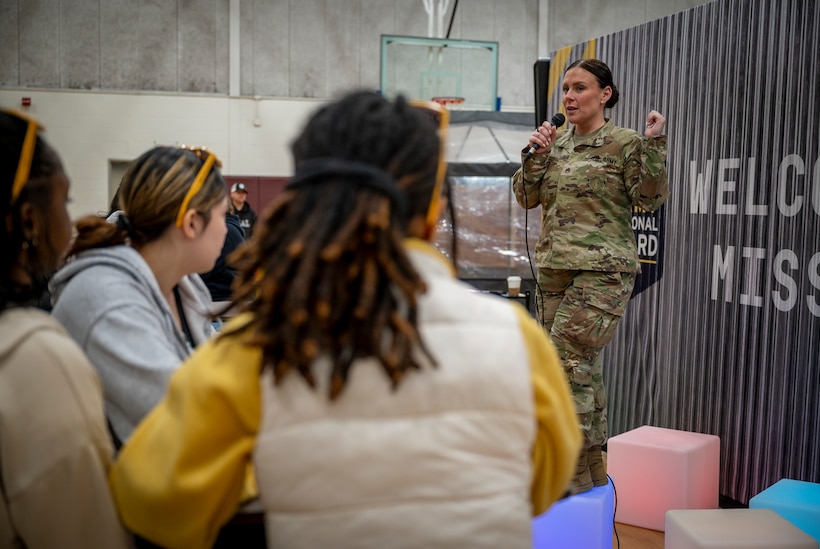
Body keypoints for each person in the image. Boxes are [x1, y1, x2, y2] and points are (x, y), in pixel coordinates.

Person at [108, 90, 581, 549]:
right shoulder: (516, 338)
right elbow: (542, 484)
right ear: (433, 210)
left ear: (304, 203)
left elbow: (154, 501)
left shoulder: (255, 346)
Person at [512, 58, 669, 493]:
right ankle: (593, 475)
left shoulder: (626, 142)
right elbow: (526, 197)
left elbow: (650, 199)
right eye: (565, 88)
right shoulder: (555, 142)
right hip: (554, 271)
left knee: (566, 363)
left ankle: (567, 471)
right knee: (580, 368)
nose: (569, 96)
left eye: (580, 88)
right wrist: (536, 155)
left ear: (605, 95)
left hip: (602, 272)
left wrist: (655, 144)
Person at [0, 109, 130, 547]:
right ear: (30, 221)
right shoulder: (34, 359)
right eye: (66, 202)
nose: (71, 223)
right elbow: (87, 533)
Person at [50, 145, 227, 445]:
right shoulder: (106, 300)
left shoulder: (185, 284)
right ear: (193, 223)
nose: (227, 230)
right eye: (224, 216)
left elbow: (214, 377)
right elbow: (184, 424)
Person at [200, 202, 245, 302]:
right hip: (219, 299)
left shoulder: (226, 233)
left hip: (220, 302)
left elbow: (203, 271)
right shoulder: (230, 230)